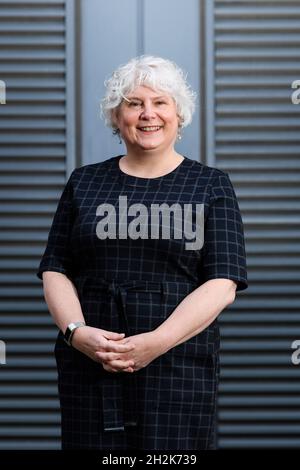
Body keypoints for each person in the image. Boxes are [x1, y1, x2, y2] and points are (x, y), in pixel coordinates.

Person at [37, 55, 248, 450]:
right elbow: (55, 269)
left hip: (177, 366)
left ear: (179, 114)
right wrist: (76, 334)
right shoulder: (84, 182)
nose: (147, 114)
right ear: (117, 117)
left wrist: (156, 342)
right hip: (91, 365)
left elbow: (223, 282)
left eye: (160, 102)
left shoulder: (211, 185)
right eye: (134, 103)